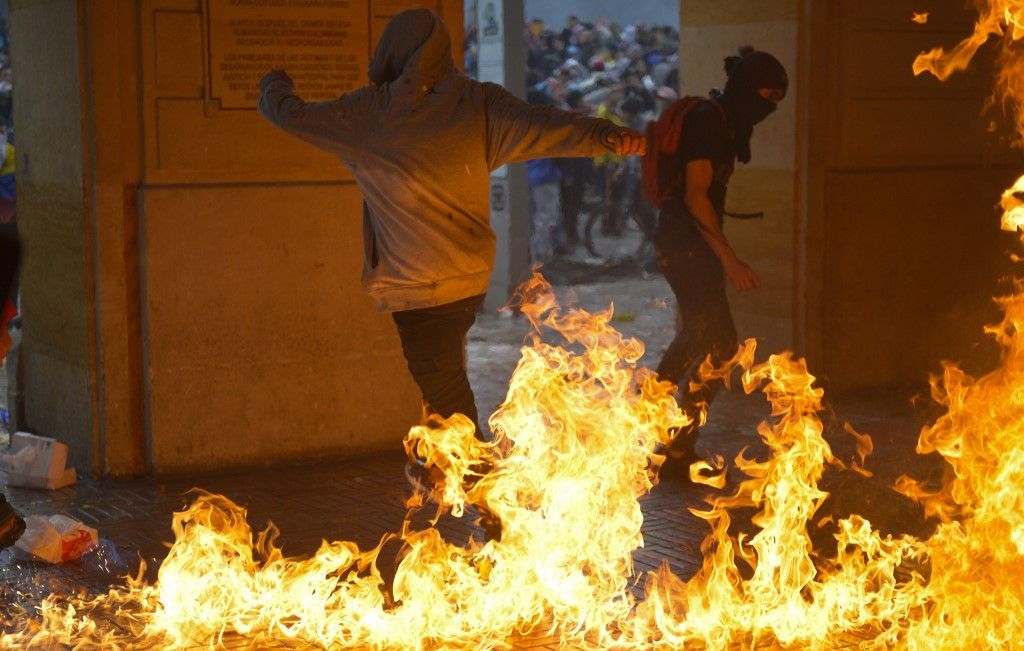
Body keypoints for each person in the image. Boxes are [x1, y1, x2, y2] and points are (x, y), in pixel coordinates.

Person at [258, 10, 644, 468]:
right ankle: (444, 477)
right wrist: (606, 135)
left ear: (393, 52)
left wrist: (273, 83)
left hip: (417, 286)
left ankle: (488, 497)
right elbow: (545, 124)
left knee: (448, 401)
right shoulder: (478, 104)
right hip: (469, 280)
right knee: (442, 384)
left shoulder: (369, 112)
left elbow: (289, 114)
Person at [645, 47, 787, 480]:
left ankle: (658, 425)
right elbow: (694, 195)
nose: (769, 107)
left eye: (778, 99)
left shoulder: (726, 122)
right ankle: (674, 441)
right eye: (765, 95)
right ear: (745, 89)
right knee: (721, 345)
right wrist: (731, 260)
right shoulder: (708, 121)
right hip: (685, 245)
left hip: (693, 246)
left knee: (698, 336)